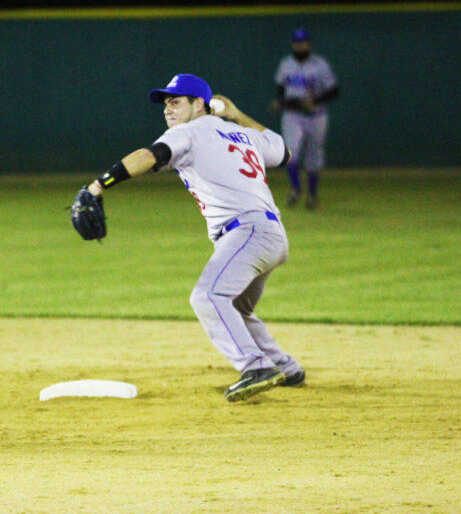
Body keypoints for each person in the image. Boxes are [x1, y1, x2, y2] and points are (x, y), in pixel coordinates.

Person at [80, 74, 304, 402]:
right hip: (270, 235)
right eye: (166, 103)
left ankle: (256, 366)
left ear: (199, 104)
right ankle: (286, 367)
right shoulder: (244, 134)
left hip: (246, 233)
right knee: (236, 307)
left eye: (176, 101)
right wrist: (237, 114)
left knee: (208, 297)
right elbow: (284, 152)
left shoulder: (188, 132)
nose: (168, 110)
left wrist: (97, 186)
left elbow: (150, 154)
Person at [270, 28, 339, 210]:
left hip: (316, 115)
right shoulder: (286, 64)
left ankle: (312, 195)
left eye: (303, 42)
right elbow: (281, 88)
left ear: (308, 44)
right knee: (291, 152)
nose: (300, 46)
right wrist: (279, 101)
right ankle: (295, 188)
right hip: (293, 115)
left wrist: (316, 101)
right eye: (297, 43)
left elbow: (334, 91)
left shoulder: (320, 65)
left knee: (314, 156)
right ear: (293, 45)